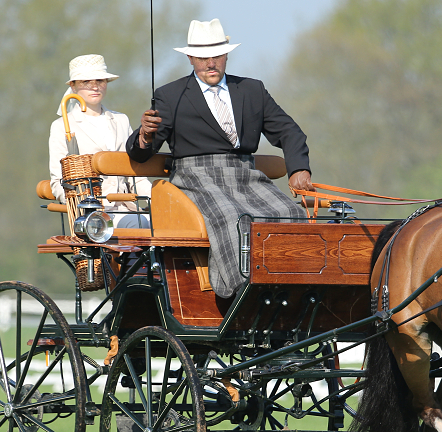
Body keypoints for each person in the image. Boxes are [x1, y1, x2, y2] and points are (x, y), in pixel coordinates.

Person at [127, 19, 314, 298]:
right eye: (202, 57)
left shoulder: (252, 90)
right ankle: (243, 292)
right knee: (233, 219)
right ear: (191, 58)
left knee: (292, 214)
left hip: (246, 176)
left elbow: (288, 130)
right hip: (195, 177)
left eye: (216, 55)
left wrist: (299, 168)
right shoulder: (170, 95)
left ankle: (295, 287)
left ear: (227, 55)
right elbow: (142, 151)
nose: (210, 63)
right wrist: (145, 135)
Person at [49, 54, 151, 229]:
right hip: (93, 214)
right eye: (86, 82)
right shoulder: (62, 126)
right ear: (73, 86)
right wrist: (81, 205)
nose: (94, 87)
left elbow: (135, 175)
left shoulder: (121, 120)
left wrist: (160, 201)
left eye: (100, 81)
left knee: (166, 225)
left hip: (126, 207)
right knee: (141, 226)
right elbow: (58, 180)